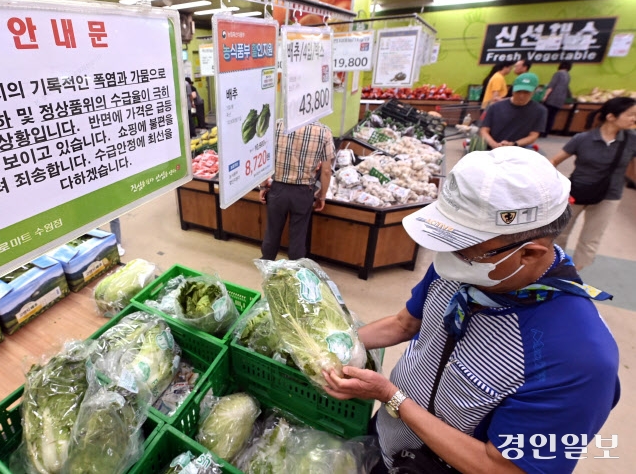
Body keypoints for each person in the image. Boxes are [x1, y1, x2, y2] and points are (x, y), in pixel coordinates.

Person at [322, 147, 619, 473]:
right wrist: (330, 343)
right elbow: (404, 323)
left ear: (529, 254)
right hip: (389, 441)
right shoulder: (467, 268)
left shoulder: (578, 358)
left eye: (463, 249)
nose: (446, 258)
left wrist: (393, 398)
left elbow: (504, 468)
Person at [551, 97, 636, 270]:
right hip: (576, 193)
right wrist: (555, 187)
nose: (634, 119)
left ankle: (573, 273)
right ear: (611, 116)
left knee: (591, 238)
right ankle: (555, 268)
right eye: (631, 115)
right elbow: (553, 161)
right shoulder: (582, 139)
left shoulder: (632, 139)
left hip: (609, 196)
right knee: (559, 233)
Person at [260, 121, 333, 261]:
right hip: (303, 191)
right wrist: (322, 196)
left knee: (272, 230)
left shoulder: (277, 125)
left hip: (278, 189)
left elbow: (266, 158)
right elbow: (326, 170)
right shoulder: (324, 131)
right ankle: (294, 271)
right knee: (298, 234)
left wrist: (263, 186)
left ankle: (267, 265)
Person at [479, 72, 547, 149]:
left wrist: (513, 144)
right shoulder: (495, 107)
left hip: (518, 149)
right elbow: (484, 130)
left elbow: (533, 136)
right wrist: (494, 144)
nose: (521, 96)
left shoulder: (540, 111)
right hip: (491, 148)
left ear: (534, 91)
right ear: (513, 89)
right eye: (518, 91)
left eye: (526, 92)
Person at [542, 62, 573, 137]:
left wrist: (545, 96)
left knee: (545, 115)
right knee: (552, 116)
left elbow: (552, 85)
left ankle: (541, 131)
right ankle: (546, 132)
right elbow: (567, 88)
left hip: (552, 98)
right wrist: (571, 98)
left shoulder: (558, 73)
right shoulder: (568, 76)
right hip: (560, 100)